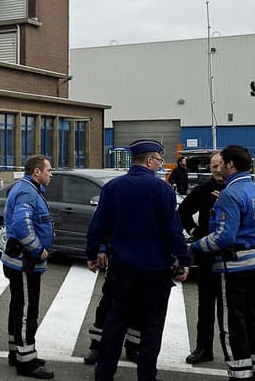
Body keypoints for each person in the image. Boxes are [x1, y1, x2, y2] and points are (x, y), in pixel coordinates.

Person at [86, 139, 189, 381]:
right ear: (151, 160)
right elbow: (172, 231)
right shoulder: (163, 190)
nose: (161, 165)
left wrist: (93, 253)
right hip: (155, 271)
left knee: (115, 323)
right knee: (152, 328)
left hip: (122, 269)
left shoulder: (113, 187)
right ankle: (146, 376)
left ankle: (104, 374)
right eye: (160, 161)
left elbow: (98, 225)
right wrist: (183, 259)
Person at [189, 145, 255, 381]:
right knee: (251, 320)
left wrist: (193, 247)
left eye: (221, 163)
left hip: (234, 266)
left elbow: (223, 237)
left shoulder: (230, 193)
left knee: (231, 325)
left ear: (231, 165)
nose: (217, 168)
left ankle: (238, 374)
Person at [2, 155, 55, 379]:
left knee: (18, 307)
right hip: (25, 262)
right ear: (36, 171)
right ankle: (26, 362)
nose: (51, 174)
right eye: (48, 170)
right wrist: (37, 249)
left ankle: (17, 353)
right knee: (26, 311)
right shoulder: (27, 192)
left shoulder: (30, 189)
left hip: (20, 261)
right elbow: (22, 226)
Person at [178, 152, 225, 365]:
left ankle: (235, 350)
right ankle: (203, 348)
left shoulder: (239, 189)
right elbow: (183, 211)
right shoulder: (205, 189)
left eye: (220, 165)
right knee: (206, 305)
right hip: (207, 255)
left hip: (232, 258)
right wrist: (194, 230)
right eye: (213, 165)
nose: (216, 169)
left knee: (231, 308)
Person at [83, 254, 141, 365]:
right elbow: (100, 236)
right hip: (118, 258)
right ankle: (97, 346)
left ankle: (133, 347)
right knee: (106, 305)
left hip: (144, 261)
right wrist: (100, 249)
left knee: (138, 306)